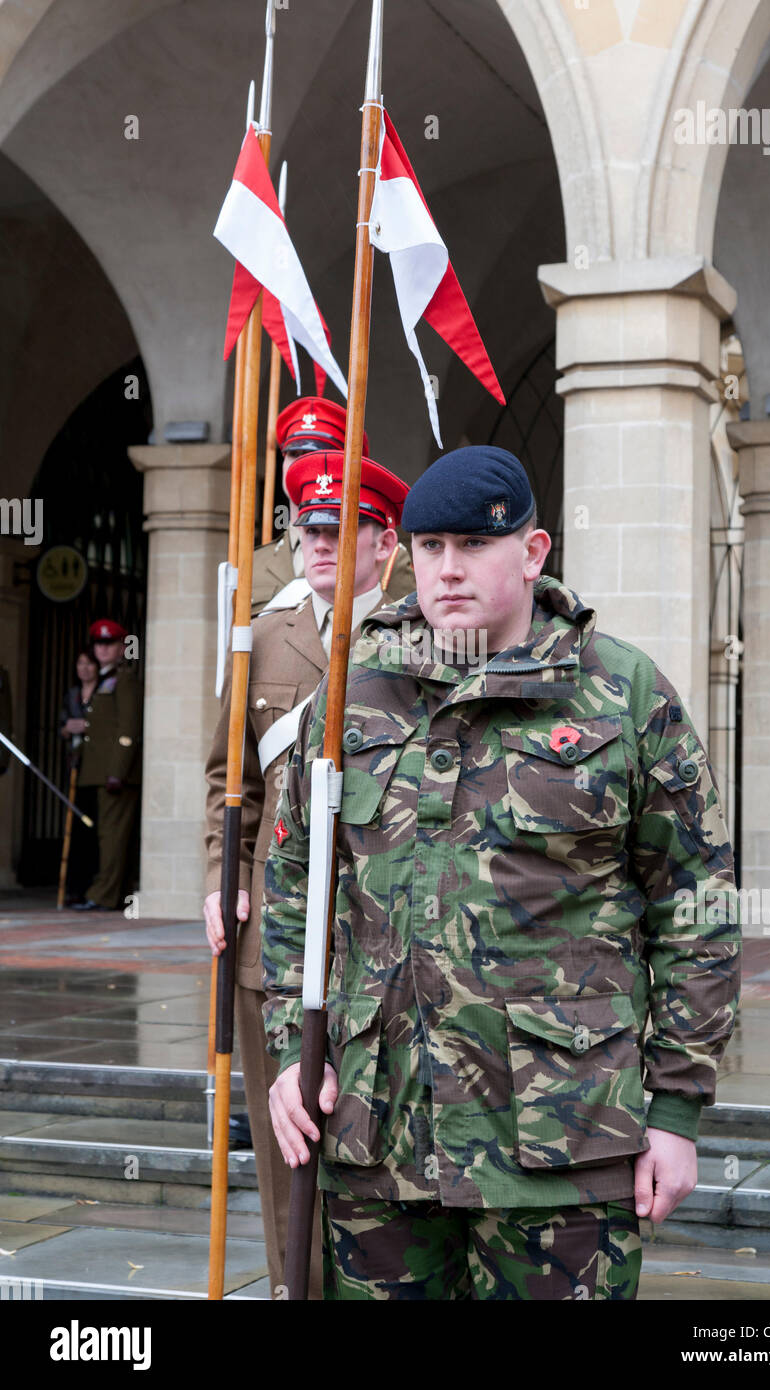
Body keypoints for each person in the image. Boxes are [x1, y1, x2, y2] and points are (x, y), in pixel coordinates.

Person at [261, 445, 741, 1301]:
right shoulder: (353, 696)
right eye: (430, 547)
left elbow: (695, 908)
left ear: (532, 551)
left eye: (473, 547)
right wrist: (290, 1054)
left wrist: (674, 1113)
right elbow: (296, 878)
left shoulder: (622, 696)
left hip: (563, 1140)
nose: (447, 570)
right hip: (380, 1132)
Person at [203, 448, 411, 1299]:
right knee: (282, 1134)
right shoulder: (265, 634)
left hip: (380, 933)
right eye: (307, 527)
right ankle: (299, 1288)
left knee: (377, 1139)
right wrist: (224, 874)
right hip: (275, 937)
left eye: (341, 528)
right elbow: (231, 779)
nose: (318, 543)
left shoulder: (418, 632)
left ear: (384, 541)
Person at [252, 397, 414, 615]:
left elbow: (405, 634)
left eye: (318, 453)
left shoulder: (384, 556)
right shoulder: (255, 563)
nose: (302, 462)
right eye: (294, 453)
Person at [73, 620, 143, 912]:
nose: (102, 649)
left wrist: (118, 770)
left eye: (110, 643)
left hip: (115, 774)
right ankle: (114, 893)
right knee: (108, 834)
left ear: (121, 647)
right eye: (98, 644)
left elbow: (128, 729)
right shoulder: (103, 680)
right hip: (99, 772)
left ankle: (103, 894)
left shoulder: (123, 679)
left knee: (112, 836)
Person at [59, 649, 101, 903]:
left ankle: (93, 888)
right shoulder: (72, 695)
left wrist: (88, 726)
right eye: (80, 663)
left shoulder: (104, 690)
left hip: (97, 767)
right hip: (75, 765)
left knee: (94, 826)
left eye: (89, 663)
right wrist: (68, 728)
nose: (84, 668)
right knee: (74, 828)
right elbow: (61, 726)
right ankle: (73, 889)